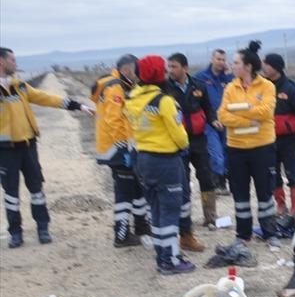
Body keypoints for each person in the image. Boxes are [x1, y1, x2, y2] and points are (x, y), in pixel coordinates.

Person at [0, 47, 94, 248]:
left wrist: (77, 105)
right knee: (11, 194)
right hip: (5, 151)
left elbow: (47, 98)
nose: (15, 64)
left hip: (28, 146)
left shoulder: (21, 87)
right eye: (12, 60)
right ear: (1, 62)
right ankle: (15, 233)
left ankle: (43, 228)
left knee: (37, 190)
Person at [123, 54, 195, 275]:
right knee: (170, 210)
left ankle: (162, 254)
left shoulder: (132, 98)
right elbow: (180, 136)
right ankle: (170, 260)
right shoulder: (164, 101)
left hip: (142, 159)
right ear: (157, 74)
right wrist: (183, 144)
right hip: (165, 160)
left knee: (155, 209)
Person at [217, 41, 279, 248]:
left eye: (235, 62)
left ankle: (270, 232)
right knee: (240, 193)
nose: (231, 66)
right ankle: (243, 234)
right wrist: (248, 119)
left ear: (248, 66)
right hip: (236, 149)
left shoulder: (267, 86)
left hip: (262, 147)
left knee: (265, 192)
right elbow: (223, 115)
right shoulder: (229, 87)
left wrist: (239, 110)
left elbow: (266, 112)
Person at [92, 54, 149, 247]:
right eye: (135, 71)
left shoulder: (119, 84)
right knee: (124, 192)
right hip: (116, 150)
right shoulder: (115, 87)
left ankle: (142, 225)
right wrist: (124, 147)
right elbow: (115, 120)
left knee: (136, 188)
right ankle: (122, 234)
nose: (138, 75)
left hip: (119, 148)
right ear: (126, 70)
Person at [165, 52, 221, 242]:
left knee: (206, 176)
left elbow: (208, 109)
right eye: (169, 67)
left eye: (174, 66)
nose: (170, 70)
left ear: (185, 68)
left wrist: (213, 120)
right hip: (177, 142)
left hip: (199, 140)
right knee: (182, 182)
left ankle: (210, 217)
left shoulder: (199, 86)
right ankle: (184, 222)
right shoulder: (165, 88)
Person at [262, 52, 295, 215]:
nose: (264, 67)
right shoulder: (263, 87)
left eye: (267, 64)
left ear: (276, 67)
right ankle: (281, 205)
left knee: (293, 174)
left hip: (290, 141)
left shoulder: (292, 88)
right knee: (273, 173)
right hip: (269, 139)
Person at [194, 48, 233, 196]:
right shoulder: (201, 77)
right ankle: (217, 183)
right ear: (212, 59)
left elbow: (235, 92)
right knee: (216, 153)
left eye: (223, 60)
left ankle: (224, 182)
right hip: (209, 122)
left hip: (227, 122)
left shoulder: (228, 78)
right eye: (218, 59)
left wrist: (229, 77)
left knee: (226, 152)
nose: (221, 62)